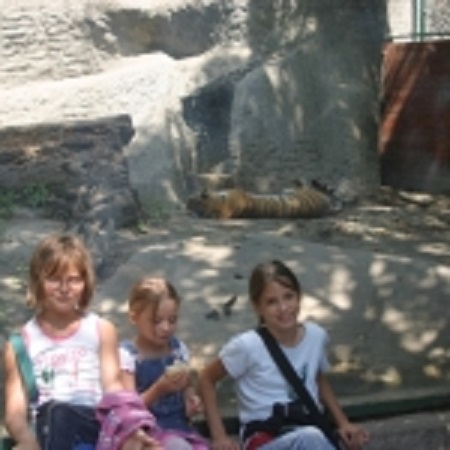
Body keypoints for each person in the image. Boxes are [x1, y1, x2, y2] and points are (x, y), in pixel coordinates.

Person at [3, 233, 162, 450]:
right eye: (54, 279)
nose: (64, 288)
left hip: (94, 424)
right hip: (48, 429)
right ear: (38, 281)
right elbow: (14, 414)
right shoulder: (21, 343)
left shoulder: (101, 330)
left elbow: (113, 388)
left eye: (74, 280)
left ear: (85, 283)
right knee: (55, 413)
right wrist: (28, 442)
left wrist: (132, 430)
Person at [198, 260, 370, 450]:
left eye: (288, 297)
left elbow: (317, 377)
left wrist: (343, 423)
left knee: (312, 438)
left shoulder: (316, 336)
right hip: (266, 438)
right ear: (257, 307)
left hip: (308, 426)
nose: (283, 308)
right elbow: (206, 378)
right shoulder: (247, 346)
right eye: (271, 302)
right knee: (308, 438)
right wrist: (219, 436)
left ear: (299, 296)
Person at [120, 276, 210, 450]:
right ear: (134, 317)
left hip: (181, 429)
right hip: (147, 435)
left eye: (172, 320)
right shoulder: (128, 356)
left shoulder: (177, 350)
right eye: (156, 321)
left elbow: (187, 386)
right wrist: (158, 389)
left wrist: (191, 400)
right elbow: (128, 409)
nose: (166, 327)